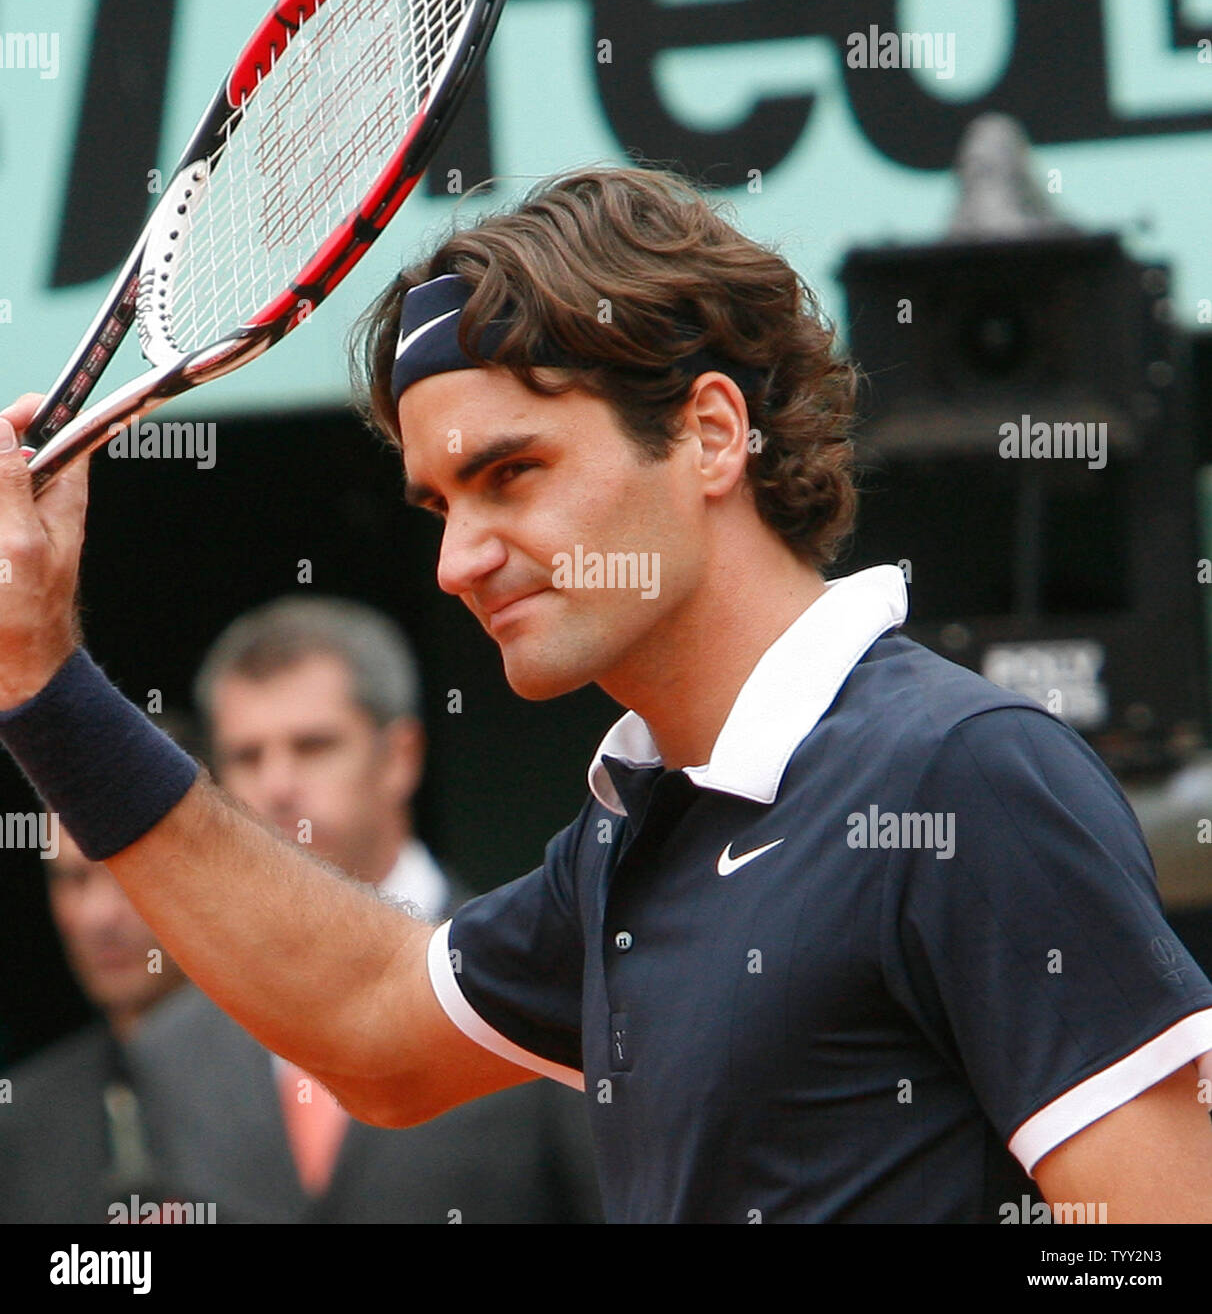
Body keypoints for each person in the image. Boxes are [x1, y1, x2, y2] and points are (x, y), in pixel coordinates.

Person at [1, 166, 1210, 1224]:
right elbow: (368, 1021)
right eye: (439, 504)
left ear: (711, 434)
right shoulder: (632, 839)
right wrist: (41, 676)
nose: (457, 558)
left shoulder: (964, 774)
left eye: (511, 473)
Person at [129, 596, 600, 1223]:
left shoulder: (534, 978)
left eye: (313, 746)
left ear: (400, 757)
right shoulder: (172, 1046)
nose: (276, 786)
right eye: (246, 757)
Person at [0, 765, 190, 1223]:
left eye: (127, 874)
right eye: (74, 880)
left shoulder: (293, 1086)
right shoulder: (22, 1123)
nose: (98, 918)